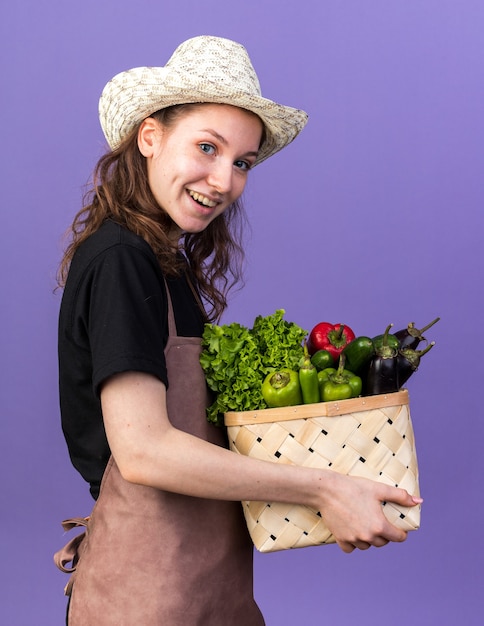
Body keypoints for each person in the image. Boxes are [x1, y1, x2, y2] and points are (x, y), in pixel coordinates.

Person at [55, 35, 422, 625]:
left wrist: (337, 479)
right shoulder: (120, 260)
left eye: (242, 162)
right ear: (150, 137)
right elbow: (145, 451)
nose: (223, 180)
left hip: (206, 583)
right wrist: (322, 488)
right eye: (207, 147)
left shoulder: (161, 264)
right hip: (147, 595)